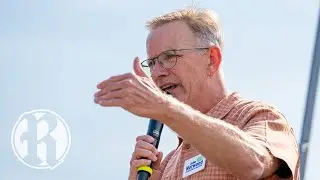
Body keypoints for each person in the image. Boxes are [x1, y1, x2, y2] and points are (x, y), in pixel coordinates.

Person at [94, 7, 300, 180]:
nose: (157, 73)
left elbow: (255, 163)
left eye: (169, 56)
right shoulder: (167, 164)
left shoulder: (258, 117)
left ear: (211, 58)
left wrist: (166, 110)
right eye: (153, 62)